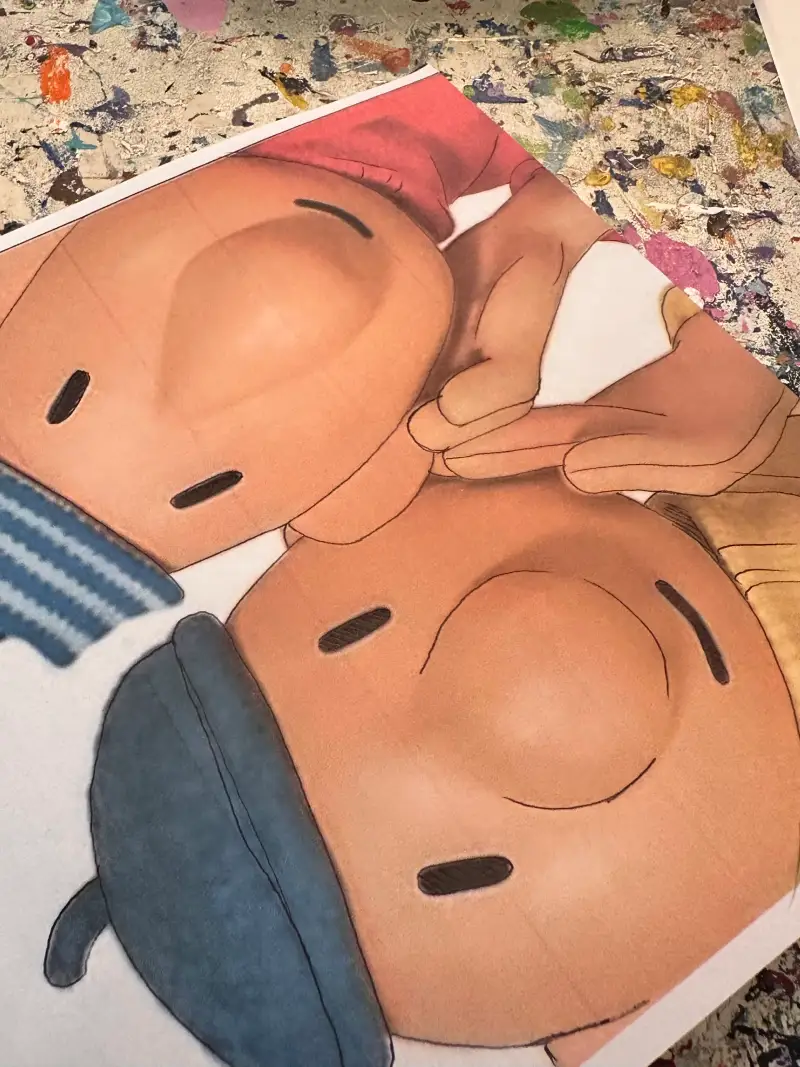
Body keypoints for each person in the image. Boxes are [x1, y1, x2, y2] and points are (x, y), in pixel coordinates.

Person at [45, 406, 800, 1067]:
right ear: (611, 1033)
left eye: (354, 632)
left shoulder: (731, 420)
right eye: (461, 873)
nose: (534, 684)